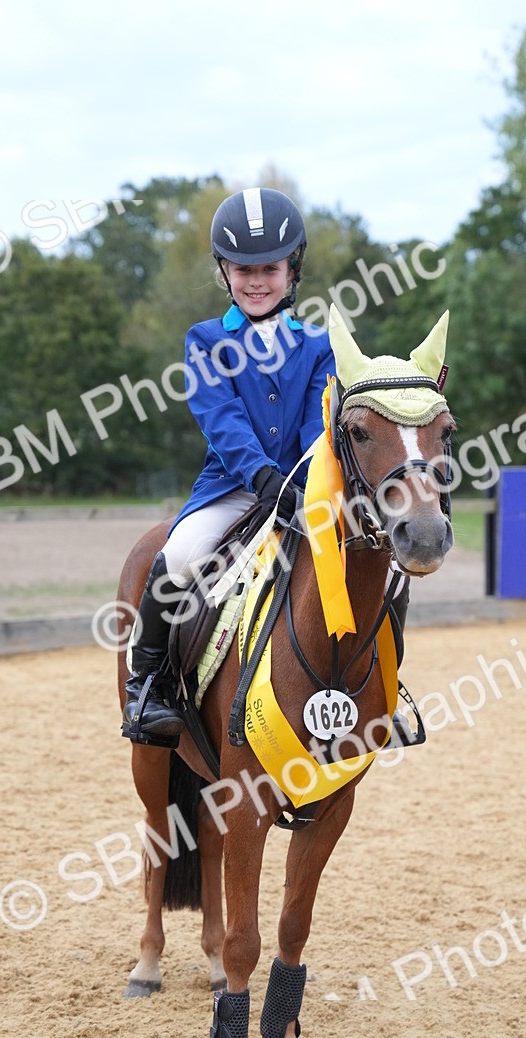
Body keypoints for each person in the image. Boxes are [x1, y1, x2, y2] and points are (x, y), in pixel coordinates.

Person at [123, 187, 336, 742]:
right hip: (233, 489)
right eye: (243, 269)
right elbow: (220, 419)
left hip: (305, 487)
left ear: (293, 270)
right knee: (181, 554)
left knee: (366, 555)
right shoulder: (206, 340)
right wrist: (262, 475)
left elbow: (320, 420)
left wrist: (299, 479)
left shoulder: (320, 345)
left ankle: (374, 686)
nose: (257, 280)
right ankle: (146, 688)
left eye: (270, 267)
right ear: (224, 272)